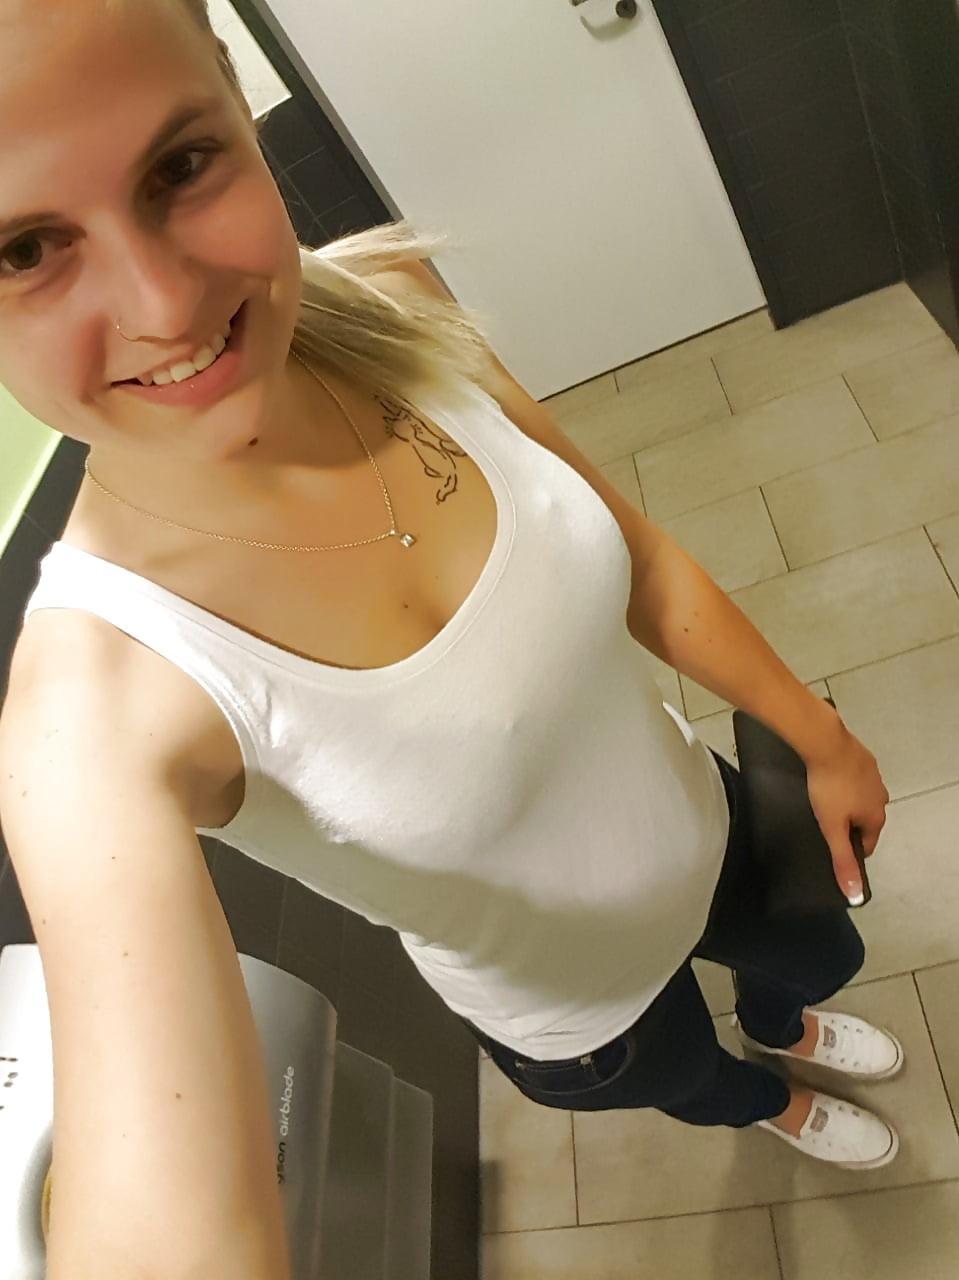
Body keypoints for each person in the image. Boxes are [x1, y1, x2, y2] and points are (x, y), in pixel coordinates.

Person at [0, 2, 900, 1276]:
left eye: (182, 164)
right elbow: (159, 1224)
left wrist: (820, 736)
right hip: (575, 1005)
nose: (164, 303)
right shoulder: (92, 712)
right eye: (24, 248)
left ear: (235, 98)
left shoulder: (387, 302)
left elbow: (634, 554)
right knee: (690, 1076)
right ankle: (767, 1097)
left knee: (792, 958)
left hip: (708, 831)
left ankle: (778, 1020)